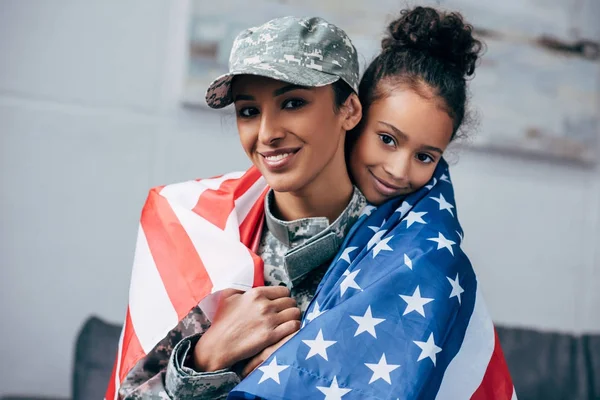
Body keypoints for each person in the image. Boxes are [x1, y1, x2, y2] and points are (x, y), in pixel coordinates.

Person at [229, 7, 516, 400]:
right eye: (388, 139)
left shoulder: (427, 255)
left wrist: (302, 364)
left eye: (425, 157)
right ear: (353, 115)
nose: (399, 170)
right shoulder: (236, 215)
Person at [108, 15, 367, 400]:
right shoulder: (201, 234)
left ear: (348, 109)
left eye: (293, 103)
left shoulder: (397, 247)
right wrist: (206, 357)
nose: (267, 134)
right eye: (248, 111)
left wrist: (300, 376)